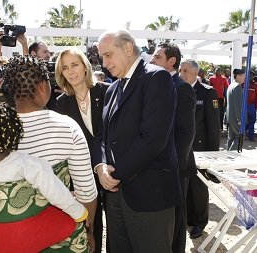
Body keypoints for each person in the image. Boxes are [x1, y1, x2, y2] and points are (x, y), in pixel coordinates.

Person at [0, 102, 89, 253]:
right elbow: (57, 194)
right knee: (72, 225)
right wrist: (79, 213)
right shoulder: (30, 164)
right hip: (33, 236)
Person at [96, 29, 180, 253]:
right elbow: (105, 137)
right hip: (115, 194)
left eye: (108, 55)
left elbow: (153, 139)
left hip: (149, 195)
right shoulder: (113, 88)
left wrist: (114, 173)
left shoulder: (156, 78)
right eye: (102, 57)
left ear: (128, 48)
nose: (104, 63)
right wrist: (102, 167)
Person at [2, 55, 98, 252]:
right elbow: (86, 191)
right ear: (43, 87)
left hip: (7, 237)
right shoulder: (67, 127)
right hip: (58, 237)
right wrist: (89, 231)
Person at [55, 46, 109, 253]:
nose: (71, 71)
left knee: (116, 222)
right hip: (81, 173)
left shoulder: (106, 91)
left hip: (110, 168)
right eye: (65, 68)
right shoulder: (61, 103)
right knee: (90, 224)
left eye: (74, 64)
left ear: (85, 66)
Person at [150, 42, 196, 253]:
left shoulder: (182, 88)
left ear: (172, 61)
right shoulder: (151, 85)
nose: (152, 59)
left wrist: (173, 165)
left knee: (177, 217)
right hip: (154, 165)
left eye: (157, 57)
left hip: (175, 165)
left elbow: (186, 132)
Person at [179, 59, 220, 239]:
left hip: (200, 148)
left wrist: (213, 155)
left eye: (185, 70)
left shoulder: (207, 92)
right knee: (185, 187)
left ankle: (200, 222)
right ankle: (188, 219)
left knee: (199, 188)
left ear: (195, 72)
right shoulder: (178, 89)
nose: (182, 73)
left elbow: (213, 126)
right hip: (182, 148)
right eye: (180, 70)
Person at [226, 69, 245, 151]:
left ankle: (228, 156)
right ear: (238, 76)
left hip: (230, 117)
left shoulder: (231, 85)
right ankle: (232, 156)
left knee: (231, 138)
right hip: (236, 118)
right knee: (239, 137)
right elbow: (238, 105)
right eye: (243, 76)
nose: (244, 78)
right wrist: (240, 119)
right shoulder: (237, 86)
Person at [241, 71, 257, 142]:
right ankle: (243, 136)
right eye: (247, 75)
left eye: (251, 76)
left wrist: (256, 105)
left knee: (252, 121)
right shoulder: (242, 84)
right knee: (244, 121)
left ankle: (251, 136)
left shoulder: (256, 85)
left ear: (253, 77)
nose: (249, 77)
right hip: (244, 105)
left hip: (252, 106)